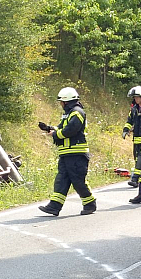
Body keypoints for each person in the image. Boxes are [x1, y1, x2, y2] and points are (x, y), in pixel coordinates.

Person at [38, 87, 97, 216]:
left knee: (78, 180)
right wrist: (49, 128)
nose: (60, 104)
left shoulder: (77, 113)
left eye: (61, 102)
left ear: (67, 102)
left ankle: (90, 203)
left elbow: (70, 130)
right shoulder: (68, 114)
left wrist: (55, 134)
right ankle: (54, 206)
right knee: (61, 179)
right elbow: (61, 128)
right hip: (66, 153)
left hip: (77, 153)